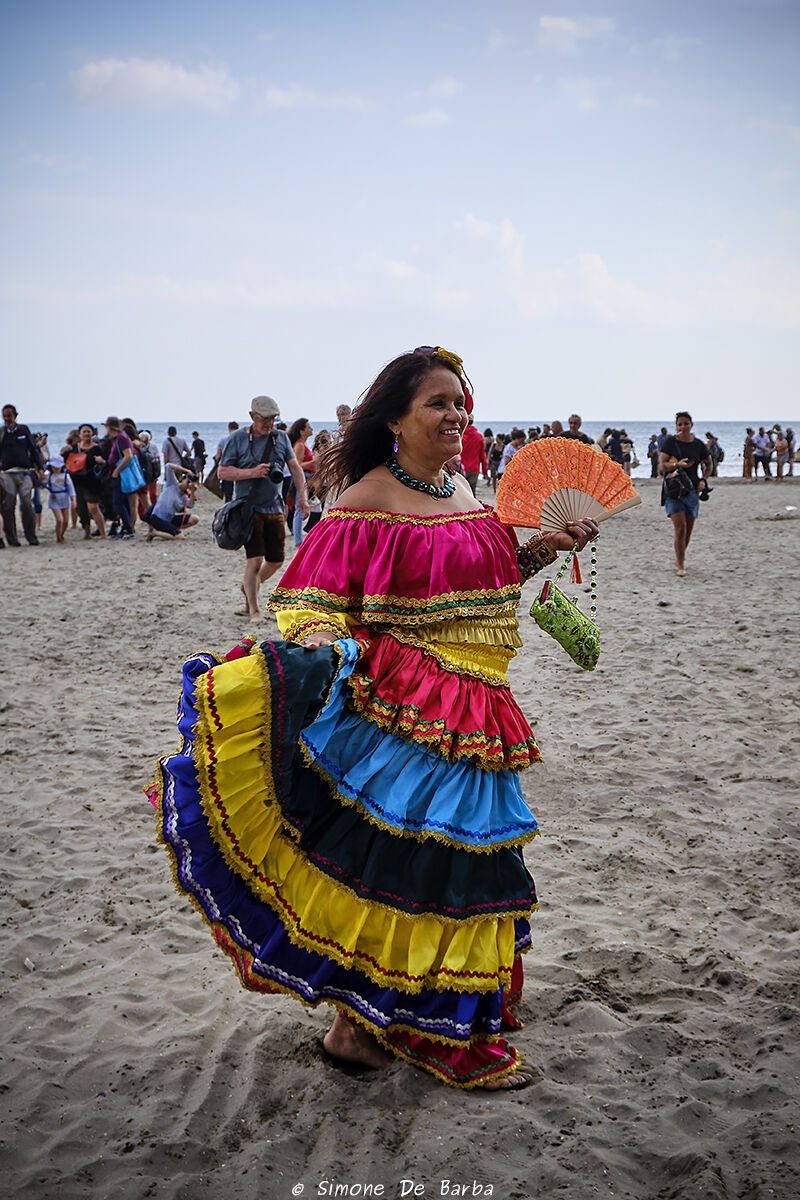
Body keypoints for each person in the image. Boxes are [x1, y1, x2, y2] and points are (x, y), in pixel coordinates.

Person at [149, 345, 598, 1091]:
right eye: (437, 403)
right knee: (431, 866)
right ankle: (409, 1029)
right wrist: (324, 646)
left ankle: (359, 1029)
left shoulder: (462, 487)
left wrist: (542, 549)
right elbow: (310, 603)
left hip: (478, 710)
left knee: (438, 863)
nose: (455, 414)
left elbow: (483, 587)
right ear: (394, 419)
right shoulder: (365, 500)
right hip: (408, 710)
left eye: (460, 402)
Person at [218, 395, 309, 623]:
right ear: (252, 416)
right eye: (264, 419)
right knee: (255, 560)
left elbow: (295, 468)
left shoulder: (280, 438)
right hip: (249, 509)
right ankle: (253, 611)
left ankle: (249, 586)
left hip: (275, 507)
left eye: (273, 419)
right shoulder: (238, 439)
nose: (269, 424)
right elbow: (223, 472)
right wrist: (252, 472)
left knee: (277, 560)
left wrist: (303, 497)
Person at [659, 411, 711, 578]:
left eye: (686, 424)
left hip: (692, 491)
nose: (683, 427)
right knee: (680, 529)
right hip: (674, 491)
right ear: (676, 426)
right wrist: (677, 464)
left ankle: (679, 557)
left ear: (691, 425)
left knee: (688, 531)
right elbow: (662, 466)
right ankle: (681, 565)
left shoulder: (698, 444)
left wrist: (703, 480)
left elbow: (708, 464)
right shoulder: (670, 442)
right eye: (680, 424)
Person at [0, 404, 44, 545]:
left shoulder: (24, 430)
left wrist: (40, 468)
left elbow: (33, 449)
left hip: (25, 472)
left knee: (26, 503)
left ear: (15, 416)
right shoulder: (1, 433)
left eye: (9, 416)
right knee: (8, 505)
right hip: (7, 473)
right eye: (4, 416)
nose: (7, 419)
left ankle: (31, 536)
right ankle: (12, 539)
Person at [65, 423, 107, 538]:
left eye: (89, 431)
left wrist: (101, 461)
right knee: (81, 509)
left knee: (93, 507)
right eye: (84, 431)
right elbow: (65, 461)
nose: (87, 434)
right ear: (80, 434)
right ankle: (87, 532)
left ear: (93, 433)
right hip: (77, 481)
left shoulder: (97, 448)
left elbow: (105, 463)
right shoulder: (74, 447)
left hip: (91, 482)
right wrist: (64, 452)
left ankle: (102, 533)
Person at [142, 464, 198, 540]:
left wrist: (193, 491)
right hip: (158, 518)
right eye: (187, 481)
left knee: (195, 519)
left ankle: (168, 532)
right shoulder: (172, 484)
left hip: (169, 519)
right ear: (182, 479)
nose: (188, 484)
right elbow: (168, 466)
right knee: (180, 537)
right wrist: (186, 470)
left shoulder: (184, 497)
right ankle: (154, 533)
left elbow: (191, 505)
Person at [286, 417, 316, 547]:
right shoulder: (299, 445)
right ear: (302, 431)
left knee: (304, 507)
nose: (311, 429)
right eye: (308, 427)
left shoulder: (303, 444)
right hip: (303, 477)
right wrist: (314, 460)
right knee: (300, 508)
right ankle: (298, 541)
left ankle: (300, 538)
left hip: (308, 477)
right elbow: (298, 465)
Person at [104, 417, 135, 538]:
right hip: (119, 473)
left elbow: (128, 455)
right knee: (124, 501)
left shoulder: (121, 437)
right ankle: (126, 528)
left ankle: (128, 529)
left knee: (118, 503)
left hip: (120, 474)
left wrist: (117, 471)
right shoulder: (121, 437)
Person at [42, 456, 75, 542]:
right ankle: (58, 537)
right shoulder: (49, 476)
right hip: (54, 499)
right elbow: (42, 485)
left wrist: (73, 499)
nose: (56, 469)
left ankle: (61, 534)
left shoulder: (66, 476)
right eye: (54, 467)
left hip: (65, 498)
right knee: (60, 520)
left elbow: (71, 489)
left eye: (58, 467)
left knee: (66, 521)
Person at [460, 413, 488, 494]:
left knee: (461, 493)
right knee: (471, 493)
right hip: (474, 468)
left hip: (460, 467)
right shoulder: (479, 436)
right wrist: (485, 471)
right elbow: (482, 455)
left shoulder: (459, 436)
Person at [214, 421, 239, 502]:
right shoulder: (241, 439)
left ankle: (228, 503)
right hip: (239, 466)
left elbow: (218, 455)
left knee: (228, 492)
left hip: (227, 466)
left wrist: (216, 463)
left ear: (229, 429)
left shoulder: (223, 440)